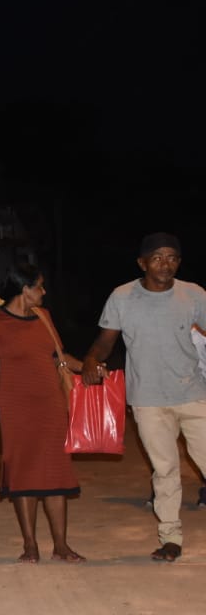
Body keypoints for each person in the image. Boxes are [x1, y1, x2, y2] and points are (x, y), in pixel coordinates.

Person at [81, 233, 206, 562]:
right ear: (142, 262)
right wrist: (92, 361)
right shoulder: (123, 297)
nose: (166, 264)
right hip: (148, 399)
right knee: (165, 470)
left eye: (173, 258)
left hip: (193, 393)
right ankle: (171, 537)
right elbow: (106, 341)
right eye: (158, 258)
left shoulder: (193, 294)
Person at [0, 262, 85, 564]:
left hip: (51, 406)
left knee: (55, 473)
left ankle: (61, 545)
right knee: (23, 474)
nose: (44, 291)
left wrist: (90, 367)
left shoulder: (43, 317)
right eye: (39, 285)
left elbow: (59, 358)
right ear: (25, 289)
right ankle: (30, 545)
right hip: (16, 408)